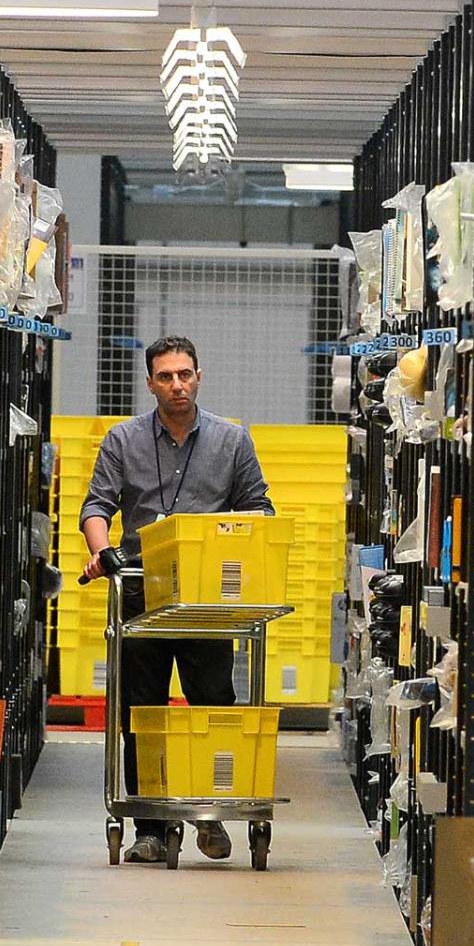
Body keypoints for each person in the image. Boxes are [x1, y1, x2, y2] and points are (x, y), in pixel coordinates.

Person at [79, 334, 272, 864]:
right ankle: (150, 826)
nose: (177, 384)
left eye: (184, 374)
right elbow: (95, 508)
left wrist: (230, 542)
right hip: (142, 595)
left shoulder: (233, 443)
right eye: (165, 376)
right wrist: (107, 553)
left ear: (199, 376)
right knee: (142, 711)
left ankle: (210, 816)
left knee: (214, 706)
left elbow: (260, 510)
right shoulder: (123, 441)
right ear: (151, 384)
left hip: (209, 601)